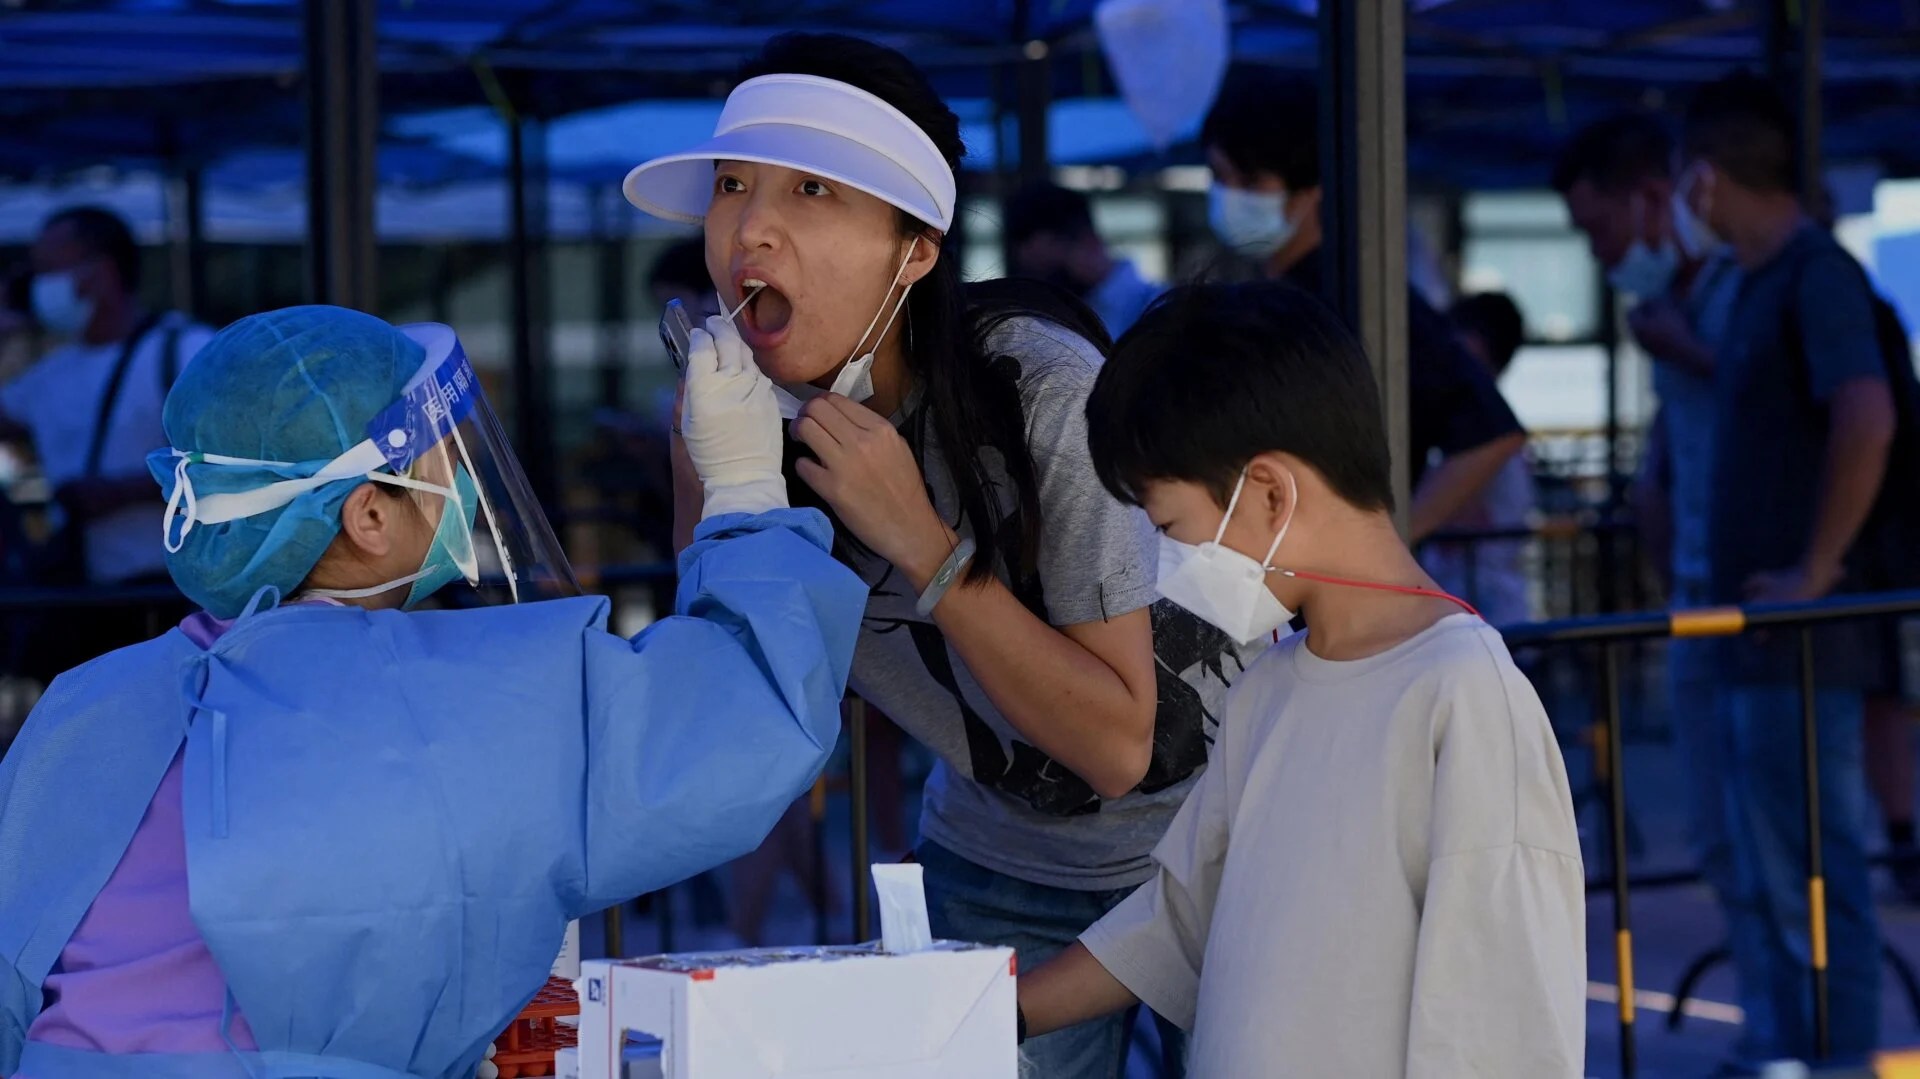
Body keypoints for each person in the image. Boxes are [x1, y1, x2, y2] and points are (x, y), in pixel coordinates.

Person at [0, 304, 866, 1078]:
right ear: (370, 517)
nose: (463, 482)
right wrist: (747, 495)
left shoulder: (90, 700)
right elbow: (745, 717)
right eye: (443, 461)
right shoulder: (476, 695)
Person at [624, 33, 1243, 1078]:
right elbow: (729, 698)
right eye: (733, 185)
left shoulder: (1039, 385)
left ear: (915, 250)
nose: (752, 227)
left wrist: (923, 541)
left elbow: (1118, 746)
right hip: (995, 859)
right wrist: (715, 479)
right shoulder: (737, 422)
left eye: (813, 189)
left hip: (1214, 851)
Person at [1016, 281, 1585, 1076]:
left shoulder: (1464, 694)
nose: (1161, 566)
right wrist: (995, 1004)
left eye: (1171, 529)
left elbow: (1505, 1020)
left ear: (1271, 492)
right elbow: (1176, 923)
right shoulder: (1267, 687)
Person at [1683, 70, 1896, 1069]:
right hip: (1763, 628)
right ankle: (1785, 1042)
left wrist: (1816, 566)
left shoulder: (1814, 275)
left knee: (1811, 859)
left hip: (1798, 635)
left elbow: (1867, 408)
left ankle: (1832, 1051)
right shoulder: (1764, 280)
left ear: (1709, 178)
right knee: (1773, 861)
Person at [1553, 109, 1756, 978]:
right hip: (1700, 593)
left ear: (1651, 198)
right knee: (1725, 840)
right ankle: (1770, 1031)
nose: (1602, 258)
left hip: (1761, 604)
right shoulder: (1677, 303)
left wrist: (1688, 352)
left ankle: (1811, 1042)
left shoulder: (1747, 290)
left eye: (1600, 231)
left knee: (1786, 845)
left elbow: (1790, 413)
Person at [1200, 67, 1526, 544]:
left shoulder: (1357, 294)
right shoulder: (1263, 290)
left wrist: (1388, 544)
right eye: (1217, 177)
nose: (1228, 197)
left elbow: (1492, 433)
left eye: (1249, 180)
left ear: (1310, 189)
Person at [0, 207, 213, 674]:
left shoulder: (186, 349)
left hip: (173, 598)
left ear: (102, 272)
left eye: (46, 271)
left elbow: (240, 458)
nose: (36, 285)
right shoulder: (51, 374)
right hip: (85, 598)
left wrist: (122, 492)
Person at [1422, 291, 1534, 625]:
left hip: (1480, 613)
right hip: (1485, 612)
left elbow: (1462, 515)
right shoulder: (1490, 432)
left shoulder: (1482, 441)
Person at [1003, 181, 1163, 337]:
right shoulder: (1058, 317)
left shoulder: (1157, 309)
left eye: (1052, 269)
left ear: (1089, 242)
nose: (1048, 288)